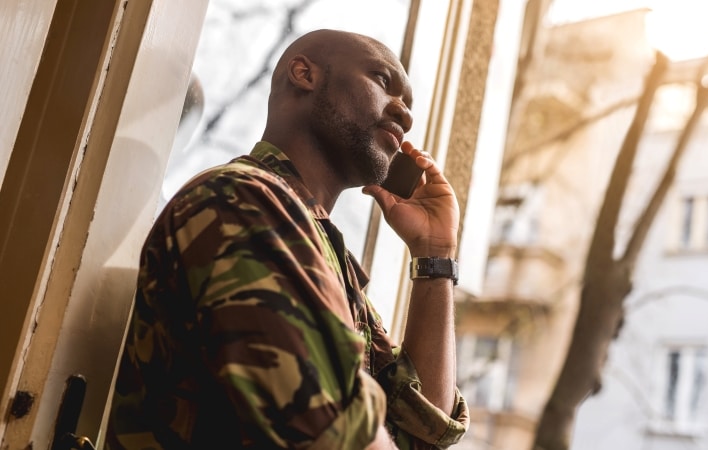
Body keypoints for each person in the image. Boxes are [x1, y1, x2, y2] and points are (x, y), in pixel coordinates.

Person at [106, 29, 469, 449]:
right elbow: (335, 438)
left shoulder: (324, 256)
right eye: (383, 81)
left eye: (408, 104)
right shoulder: (241, 202)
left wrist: (435, 255)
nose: (404, 114)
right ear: (304, 74)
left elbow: (423, 433)